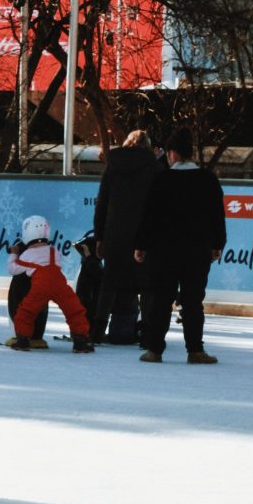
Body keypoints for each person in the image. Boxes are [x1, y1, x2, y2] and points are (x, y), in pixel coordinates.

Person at [130, 131, 226, 364]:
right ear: (190, 152)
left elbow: (149, 216)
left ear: (172, 153)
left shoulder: (161, 180)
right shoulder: (208, 180)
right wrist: (217, 244)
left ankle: (154, 350)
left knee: (160, 300)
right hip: (197, 251)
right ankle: (195, 350)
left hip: (163, 252)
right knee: (193, 301)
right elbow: (217, 216)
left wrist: (140, 244)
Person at [92, 128, 161, 345]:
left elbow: (102, 203)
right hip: (144, 235)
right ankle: (148, 336)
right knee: (147, 288)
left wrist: (100, 236)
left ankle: (96, 331)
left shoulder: (113, 165)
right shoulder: (155, 168)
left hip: (114, 234)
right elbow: (158, 206)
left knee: (109, 285)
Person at [5, 215, 95, 352]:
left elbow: (13, 269)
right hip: (60, 284)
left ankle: (23, 339)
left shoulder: (27, 254)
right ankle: (81, 339)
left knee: (26, 311)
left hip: (40, 287)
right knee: (74, 310)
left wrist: (14, 254)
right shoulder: (54, 251)